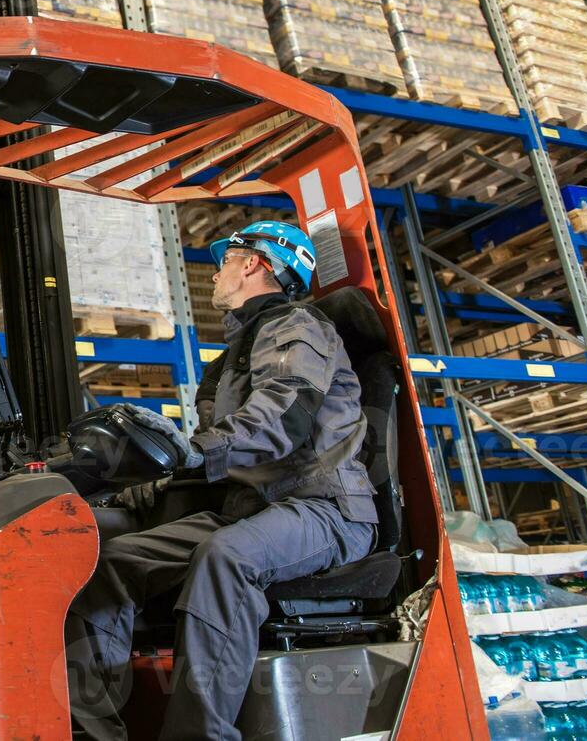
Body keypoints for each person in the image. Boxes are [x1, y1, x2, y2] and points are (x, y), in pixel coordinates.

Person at [66, 221, 378, 741]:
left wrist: (193, 449)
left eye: (224, 261)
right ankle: (93, 733)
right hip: (252, 505)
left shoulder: (295, 327)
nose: (216, 274)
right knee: (111, 565)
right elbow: (213, 458)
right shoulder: (232, 357)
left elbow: (281, 421)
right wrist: (145, 484)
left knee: (226, 558)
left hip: (324, 507)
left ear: (253, 262)